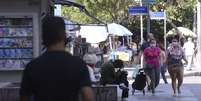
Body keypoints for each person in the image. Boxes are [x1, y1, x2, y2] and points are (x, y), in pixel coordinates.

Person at [20, 16, 94, 101]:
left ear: (43, 37)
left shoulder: (32, 67)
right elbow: (88, 97)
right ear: (64, 35)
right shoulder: (79, 65)